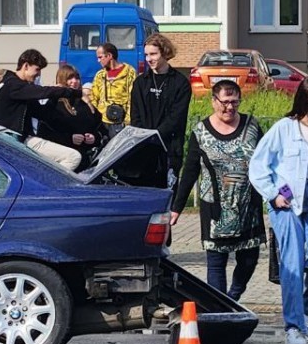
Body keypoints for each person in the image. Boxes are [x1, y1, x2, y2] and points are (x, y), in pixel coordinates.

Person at [249, 77, 308, 344]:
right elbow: (258, 165)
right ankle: (293, 325)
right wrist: (272, 194)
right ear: (301, 102)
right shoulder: (284, 129)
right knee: (293, 263)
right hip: (286, 204)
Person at [171, 79, 265, 303]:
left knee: (249, 260)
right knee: (216, 263)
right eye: (225, 102)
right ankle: (221, 309)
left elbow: (267, 161)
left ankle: (233, 296)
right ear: (214, 101)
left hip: (247, 208)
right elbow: (190, 171)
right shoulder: (201, 131)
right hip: (216, 210)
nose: (230, 108)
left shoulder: (252, 126)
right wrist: (176, 208)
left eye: (235, 102)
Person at [0, 49, 84, 170]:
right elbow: (43, 92)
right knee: (73, 157)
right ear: (26, 66)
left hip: (22, 139)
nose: (38, 74)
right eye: (37, 69)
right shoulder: (13, 85)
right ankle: (46, 187)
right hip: (10, 140)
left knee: (72, 156)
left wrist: (55, 99)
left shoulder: (21, 89)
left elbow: (42, 113)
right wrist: (72, 92)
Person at [129, 32, 192, 187]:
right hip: (144, 149)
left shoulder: (180, 83)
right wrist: (145, 136)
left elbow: (176, 117)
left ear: (164, 53)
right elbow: (135, 116)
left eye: (153, 54)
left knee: (168, 199)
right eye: (146, 55)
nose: (149, 59)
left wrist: (157, 135)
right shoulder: (140, 83)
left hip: (169, 149)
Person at [35, 63, 107, 169]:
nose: (74, 82)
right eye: (70, 78)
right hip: (64, 161)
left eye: (77, 78)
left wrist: (94, 137)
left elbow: (101, 128)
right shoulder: (53, 104)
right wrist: (69, 138)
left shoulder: (86, 103)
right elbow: (44, 133)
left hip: (87, 161)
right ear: (61, 81)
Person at [91, 42, 136, 135]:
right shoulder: (100, 75)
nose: (98, 61)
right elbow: (94, 98)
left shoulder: (129, 73)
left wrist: (128, 123)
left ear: (109, 56)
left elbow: (133, 99)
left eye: (100, 57)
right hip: (103, 123)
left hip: (122, 123)